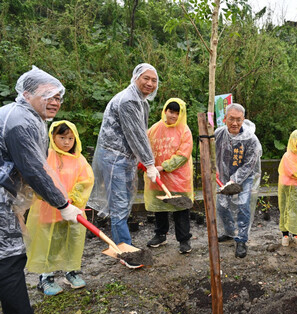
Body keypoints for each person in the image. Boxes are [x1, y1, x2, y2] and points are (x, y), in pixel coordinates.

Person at [0, 67, 83, 314]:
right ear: (26, 93)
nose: (56, 101)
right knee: (10, 257)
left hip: (5, 197)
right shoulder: (21, 120)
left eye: (59, 96)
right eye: (48, 95)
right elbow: (34, 170)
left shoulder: (20, 115)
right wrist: (62, 204)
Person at [88, 63, 160, 246]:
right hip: (114, 158)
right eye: (146, 78)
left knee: (126, 202)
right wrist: (150, 163)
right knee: (119, 206)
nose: (150, 83)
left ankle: (124, 244)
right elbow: (136, 135)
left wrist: (143, 159)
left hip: (125, 158)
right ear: (135, 78)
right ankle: (124, 249)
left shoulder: (140, 102)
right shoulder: (128, 100)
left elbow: (141, 133)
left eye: (154, 80)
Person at [24, 120, 94, 296]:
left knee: (72, 242)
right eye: (62, 137)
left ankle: (71, 271)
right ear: (52, 137)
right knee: (50, 244)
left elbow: (86, 181)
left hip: (73, 211)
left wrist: (73, 198)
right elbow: (38, 180)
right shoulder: (46, 157)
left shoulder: (79, 160)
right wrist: (54, 199)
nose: (66, 142)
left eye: (70, 138)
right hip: (49, 211)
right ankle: (46, 278)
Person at [144, 98, 194, 253]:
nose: (173, 116)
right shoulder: (154, 129)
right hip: (158, 177)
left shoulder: (185, 131)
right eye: (171, 111)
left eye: (177, 113)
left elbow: (182, 155)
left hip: (179, 179)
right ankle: (160, 235)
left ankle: (184, 240)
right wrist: (148, 165)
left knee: (181, 209)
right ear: (165, 110)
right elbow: (145, 147)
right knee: (160, 208)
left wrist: (163, 167)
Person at [216, 103, 262, 258]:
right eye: (231, 119)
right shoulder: (218, 134)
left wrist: (234, 180)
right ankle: (229, 232)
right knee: (222, 206)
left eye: (238, 119)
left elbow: (250, 163)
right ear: (225, 119)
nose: (234, 123)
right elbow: (211, 155)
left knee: (243, 205)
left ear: (243, 119)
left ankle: (241, 239)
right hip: (223, 176)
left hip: (245, 177)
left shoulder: (251, 139)